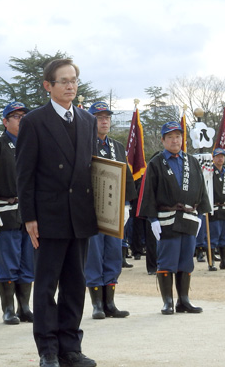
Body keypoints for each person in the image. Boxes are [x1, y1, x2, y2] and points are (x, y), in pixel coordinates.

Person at [16, 59, 98, 367]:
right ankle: (48, 350)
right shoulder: (34, 121)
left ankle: (71, 348)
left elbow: (93, 170)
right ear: (48, 86)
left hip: (80, 215)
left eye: (74, 80)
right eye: (63, 80)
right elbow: (24, 173)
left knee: (75, 285)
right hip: (48, 216)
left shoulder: (87, 121)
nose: (70, 86)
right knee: (47, 285)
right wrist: (29, 216)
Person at [137, 121, 211, 315]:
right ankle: (167, 301)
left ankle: (184, 300)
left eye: (177, 136)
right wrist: (152, 219)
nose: (174, 140)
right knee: (167, 260)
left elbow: (201, 188)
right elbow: (148, 193)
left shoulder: (192, 161)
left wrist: (201, 212)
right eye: (170, 137)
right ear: (163, 140)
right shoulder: (155, 163)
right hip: (166, 218)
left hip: (189, 217)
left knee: (186, 260)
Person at [0, 101, 35, 325]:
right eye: (16, 116)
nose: (21, 119)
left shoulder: (33, 144)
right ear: (5, 121)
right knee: (7, 261)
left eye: (24, 115)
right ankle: (8, 309)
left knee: (27, 262)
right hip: (5, 210)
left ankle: (24, 307)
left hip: (29, 212)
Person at [85, 101, 137, 320]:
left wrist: (126, 205)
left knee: (114, 255)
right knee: (94, 255)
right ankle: (97, 304)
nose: (104, 121)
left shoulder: (116, 147)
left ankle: (110, 303)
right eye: (99, 117)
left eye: (107, 117)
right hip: (92, 210)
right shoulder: (83, 144)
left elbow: (125, 177)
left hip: (114, 210)